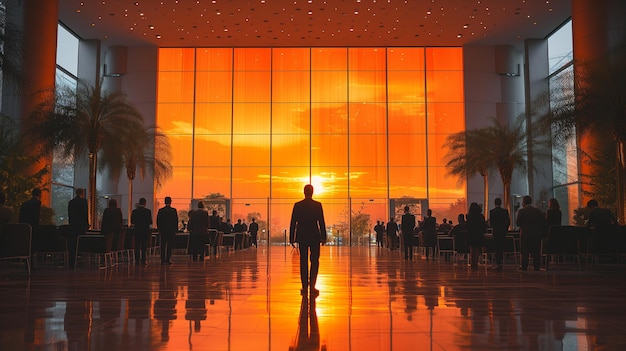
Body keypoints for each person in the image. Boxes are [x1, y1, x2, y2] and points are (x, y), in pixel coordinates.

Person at [289, 184, 327, 297]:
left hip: (302, 236)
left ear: (304, 192)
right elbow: (321, 222)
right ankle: (313, 286)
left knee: (303, 261)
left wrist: (292, 237)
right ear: (312, 192)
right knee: (315, 261)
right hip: (314, 236)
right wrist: (323, 236)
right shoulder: (317, 205)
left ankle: (305, 287)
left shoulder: (298, 205)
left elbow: (293, 223)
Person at [516, 195, 546, 271]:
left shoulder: (522, 211)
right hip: (536, 234)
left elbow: (518, 223)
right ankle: (536, 267)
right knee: (536, 252)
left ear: (524, 202)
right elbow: (543, 222)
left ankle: (524, 267)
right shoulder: (537, 211)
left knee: (525, 252)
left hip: (525, 234)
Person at [68, 188, 89, 268]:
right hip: (81, 226)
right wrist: (86, 225)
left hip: (73, 225)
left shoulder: (71, 202)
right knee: (80, 243)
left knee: (73, 243)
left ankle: (72, 262)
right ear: (82, 193)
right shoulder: (83, 202)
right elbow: (85, 214)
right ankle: (80, 261)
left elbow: (70, 215)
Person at [489, 197, 510, 270]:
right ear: (500, 203)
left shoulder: (492, 211)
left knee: (497, 247)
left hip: (496, 231)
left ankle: (498, 263)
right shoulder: (505, 211)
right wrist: (505, 229)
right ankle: (502, 261)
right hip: (503, 232)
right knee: (502, 246)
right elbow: (508, 222)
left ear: (495, 203)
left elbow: (491, 224)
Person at [131, 198, 153, 266]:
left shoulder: (134, 211)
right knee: (144, 245)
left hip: (137, 230)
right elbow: (150, 222)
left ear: (139, 202)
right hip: (145, 230)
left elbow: (132, 221)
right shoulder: (148, 211)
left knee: (137, 245)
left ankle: (137, 260)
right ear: (145, 203)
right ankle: (143, 259)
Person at [157, 196, 178, 265]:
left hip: (163, 231)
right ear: (170, 202)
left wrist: (159, 229)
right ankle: (168, 259)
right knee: (169, 245)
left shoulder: (161, 211)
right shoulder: (173, 211)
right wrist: (175, 230)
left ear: (164, 202)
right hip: (171, 231)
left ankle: (162, 260)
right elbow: (176, 221)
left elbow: (158, 221)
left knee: (162, 245)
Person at [466, 202, 487, 270]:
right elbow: (484, 226)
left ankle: (472, 263)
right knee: (477, 248)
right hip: (479, 234)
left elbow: (467, 226)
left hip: (471, 234)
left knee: (472, 248)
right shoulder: (481, 216)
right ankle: (476, 262)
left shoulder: (469, 216)